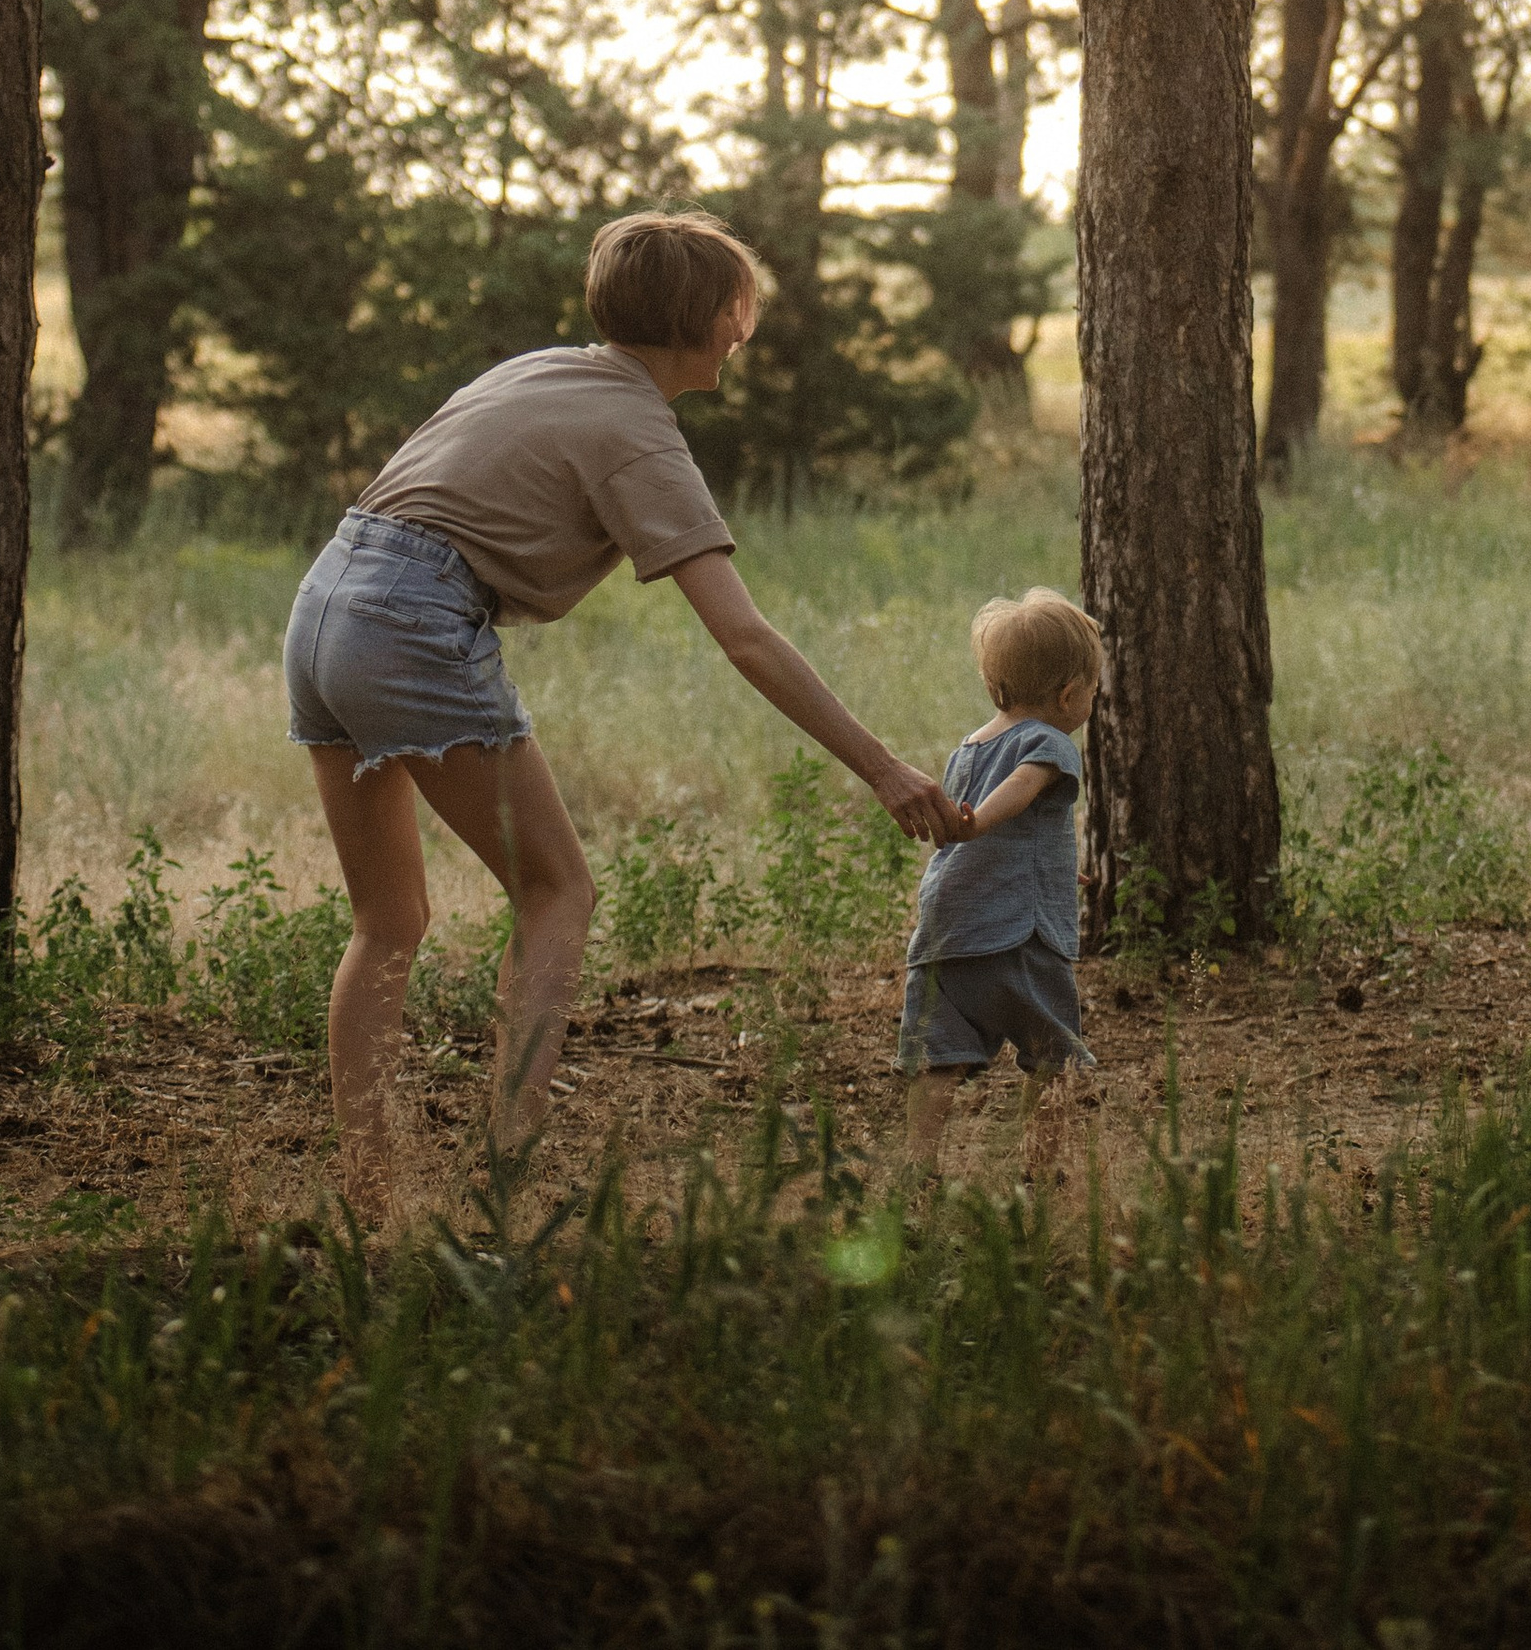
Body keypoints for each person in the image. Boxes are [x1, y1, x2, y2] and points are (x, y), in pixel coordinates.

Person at [282, 209, 967, 1205]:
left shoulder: (542, 368)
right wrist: (884, 767)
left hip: (325, 599)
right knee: (558, 893)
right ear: (716, 315)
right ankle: (505, 1169)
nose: (748, 325)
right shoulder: (637, 430)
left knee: (387, 919)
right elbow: (745, 636)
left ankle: (368, 1187)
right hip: (410, 618)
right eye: (743, 307)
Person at [900, 586, 1102, 1183]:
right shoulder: (1050, 743)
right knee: (1055, 1057)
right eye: (1092, 688)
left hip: (948, 936)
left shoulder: (970, 747)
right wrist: (975, 823)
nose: (1094, 698)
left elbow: (1019, 830)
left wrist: (1059, 864)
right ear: (1069, 694)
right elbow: (1019, 790)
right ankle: (1037, 1168)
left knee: (938, 1060)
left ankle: (919, 1163)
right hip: (1018, 936)